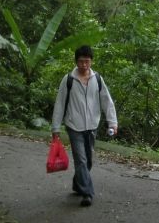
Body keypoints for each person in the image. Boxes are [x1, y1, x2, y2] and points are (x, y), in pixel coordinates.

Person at [51, 45, 118, 207]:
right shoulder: (68, 80)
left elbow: (107, 102)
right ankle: (87, 193)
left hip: (92, 126)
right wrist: (56, 128)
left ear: (91, 61)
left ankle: (77, 183)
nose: (84, 65)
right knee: (81, 160)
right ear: (76, 62)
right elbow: (59, 104)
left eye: (87, 62)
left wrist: (113, 122)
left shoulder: (97, 79)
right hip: (74, 126)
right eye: (81, 62)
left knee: (88, 161)